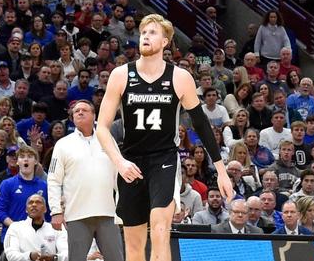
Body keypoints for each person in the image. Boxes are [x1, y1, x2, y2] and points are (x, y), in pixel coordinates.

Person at [96, 14, 232, 261]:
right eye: (143, 32)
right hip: (130, 161)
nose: (146, 36)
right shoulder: (121, 75)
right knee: (134, 244)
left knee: (160, 229)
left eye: (153, 32)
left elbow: (201, 124)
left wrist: (221, 171)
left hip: (164, 159)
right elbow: (102, 128)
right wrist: (119, 162)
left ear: (166, 41)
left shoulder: (180, 77)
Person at [47, 99, 123, 261]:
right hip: (77, 215)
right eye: (76, 111)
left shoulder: (108, 141)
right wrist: (56, 211)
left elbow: (119, 175)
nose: (79, 112)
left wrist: (124, 206)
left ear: (94, 115)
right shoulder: (63, 144)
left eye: (84, 110)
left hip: (107, 213)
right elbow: (53, 180)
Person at [3, 194, 65, 261]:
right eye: (30, 203)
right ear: (26, 210)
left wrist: (54, 258)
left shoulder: (56, 228)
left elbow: (67, 253)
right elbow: (11, 255)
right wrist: (30, 256)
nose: (34, 205)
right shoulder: (15, 227)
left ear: (45, 209)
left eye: (38, 202)